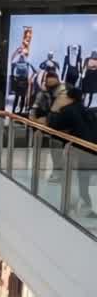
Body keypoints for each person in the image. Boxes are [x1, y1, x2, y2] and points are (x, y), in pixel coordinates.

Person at [48, 84, 97, 217]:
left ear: (69, 98)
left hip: (78, 151)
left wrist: (54, 109)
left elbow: (53, 126)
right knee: (84, 180)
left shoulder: (67, 110)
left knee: (71, 178)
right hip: (92, 150)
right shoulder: (88, 111)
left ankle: (72, 206)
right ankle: (85, 206)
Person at [31, 68, 63, 182]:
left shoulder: (63, 94)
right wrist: (33, 120)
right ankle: (52, 172)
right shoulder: (42, 94)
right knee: (53, 150)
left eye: (53, 84)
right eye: (48, 84)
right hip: (48, 126)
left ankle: (59, 173)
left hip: (61, 126)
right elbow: (34, 108)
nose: (51, 86)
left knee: (58, 150)